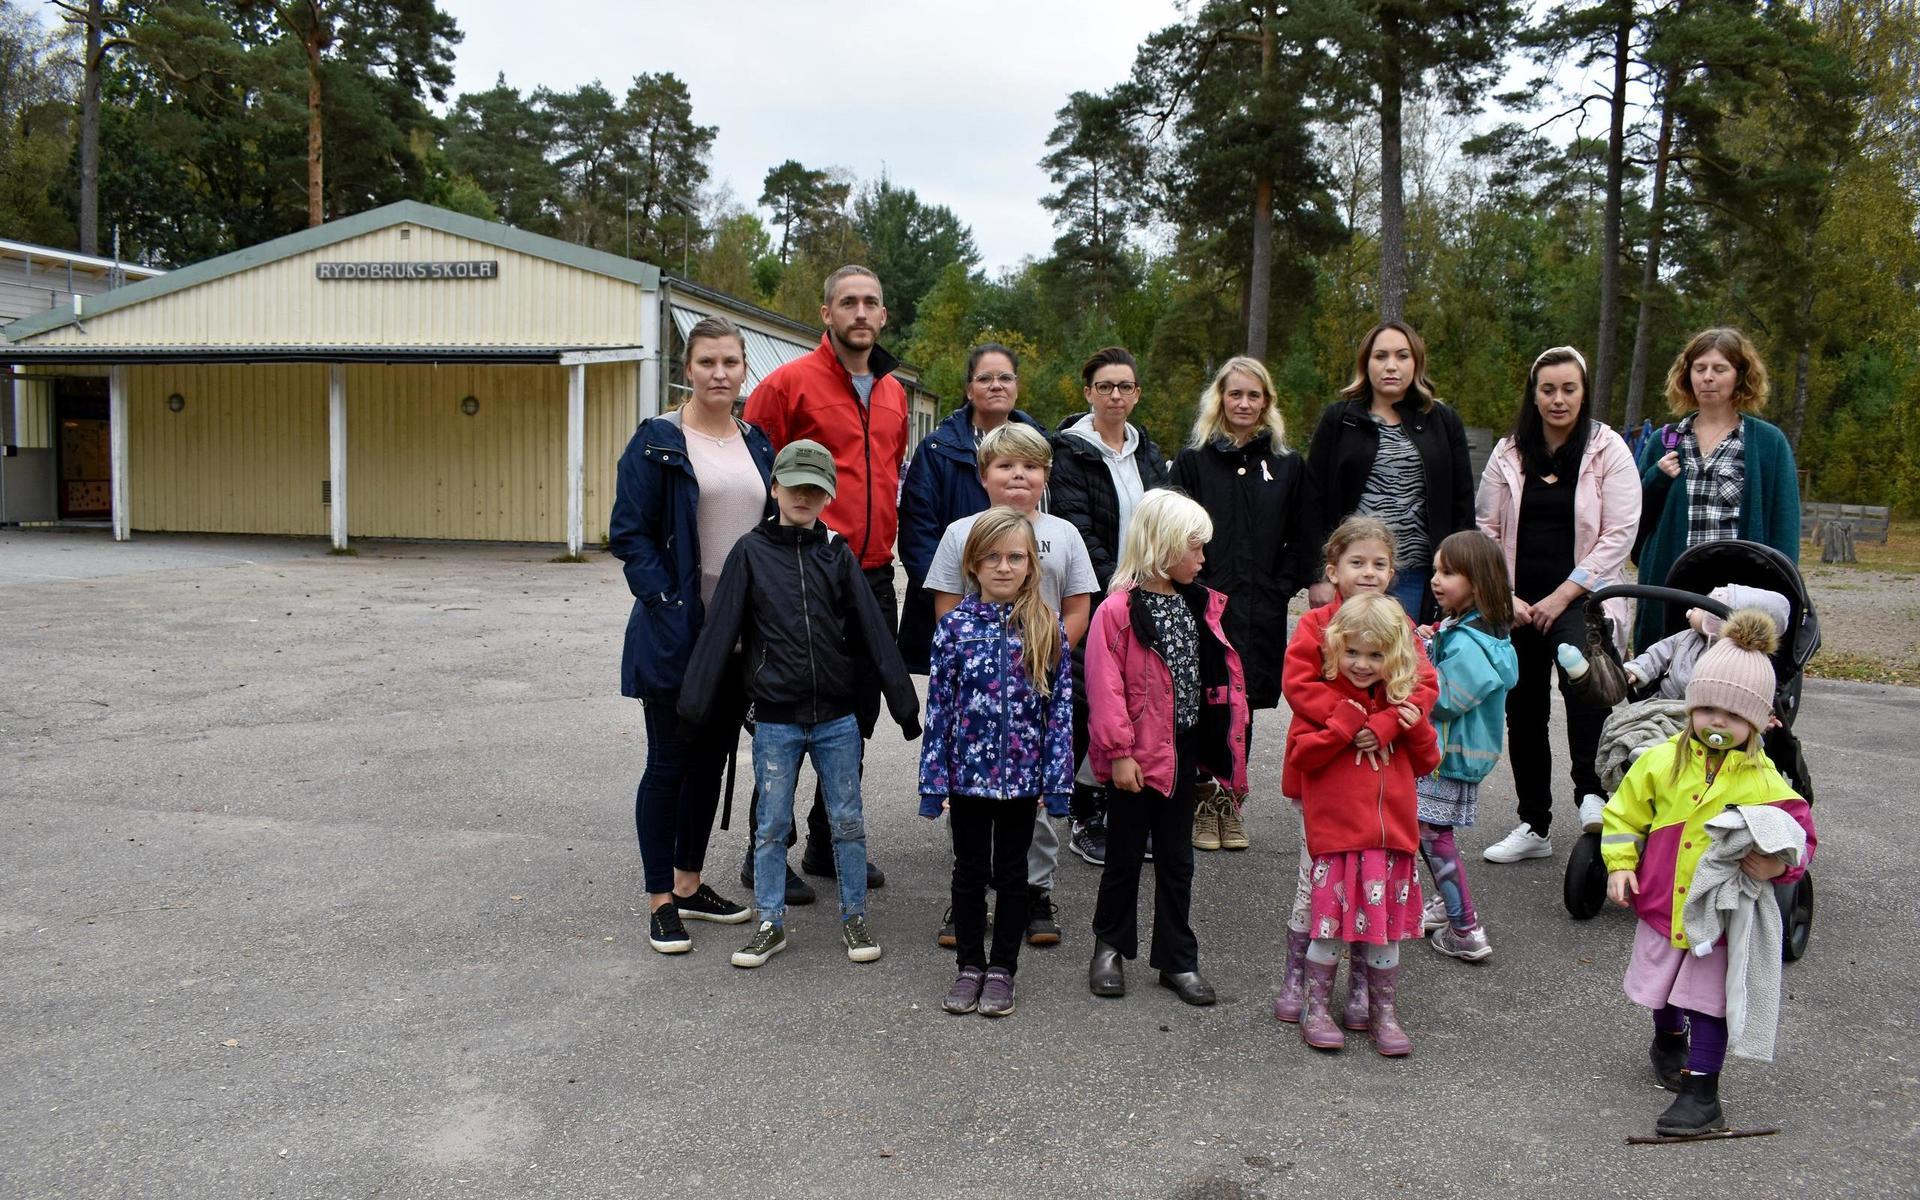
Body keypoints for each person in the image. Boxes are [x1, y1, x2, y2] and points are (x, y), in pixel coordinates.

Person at [678, 440, 921, 969]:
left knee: (848, 821)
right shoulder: (748, 552)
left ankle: (854, 917)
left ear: (828, 494)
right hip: (776, 720)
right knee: (769, 825)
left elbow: (872, 631)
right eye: (795, 486)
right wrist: (693, 707)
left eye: (815, 488)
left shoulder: (838, 552)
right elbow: (720, 632)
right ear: (775, 488)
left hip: (837, 717)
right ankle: (769, 922)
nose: (804, 496)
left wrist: (903, 705)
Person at [1602, 610, 1814, 1136]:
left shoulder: (1766, 781)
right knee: (1661, 988)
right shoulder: (1658, 762)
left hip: (1716, 917)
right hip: (1659, 903)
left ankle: (1703, 1094)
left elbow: (1801, 839)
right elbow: (1624, 814)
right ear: (1692, 706)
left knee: (1707, 1001)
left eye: (1734, 715)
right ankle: (1667, 1040)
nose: (1718, 721)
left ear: (1762, 722)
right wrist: (1621, 863)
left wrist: (1777, 863)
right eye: (1708, 709)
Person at [742, 265, 911, 896]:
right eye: (848, 302)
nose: (860, 312)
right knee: (786, 714)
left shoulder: (893, 391)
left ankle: (824, 842)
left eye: (871, 302)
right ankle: (767, 852)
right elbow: (755, 469)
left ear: (884, 315)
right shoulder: (789, 384)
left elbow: (889, 477)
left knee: (858, 714)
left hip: (870, 576)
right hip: (800, 575)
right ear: (827, 313)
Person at [610, 317, 771, 955]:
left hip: (739, 634)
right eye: (707, 362)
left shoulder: (757, 442)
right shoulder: (657, 440)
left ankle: (690, 882)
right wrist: (672, 603)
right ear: (688, 369)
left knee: (713, 763)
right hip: (678, 631)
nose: (720, 373)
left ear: (744, 370)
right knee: (669, 764)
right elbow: (631, 534)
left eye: (731, 362)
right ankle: (659, 901)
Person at [925, 423, 1097, 947]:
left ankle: (1034, 891)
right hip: (981, 689)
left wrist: (1041, 653)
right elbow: (947, 604)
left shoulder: (1064, 534)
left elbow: (1077, 605)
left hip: (1036, 679)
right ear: (984, 476)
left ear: (1046, 475)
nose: (1018, 475)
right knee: (974, 813)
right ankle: (969, 901)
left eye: (1030, 466)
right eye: (1005, 466)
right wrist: (984, 656)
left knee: (1034, 806)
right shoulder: (961, 532)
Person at [1476, 346, 1642, 865]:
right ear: (1534, 393)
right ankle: (1533, 822)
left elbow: (1620, 532)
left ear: (1584, 391)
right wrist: (1507, 596)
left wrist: (1564, 593)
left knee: (1584, 685)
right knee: (1522, 709)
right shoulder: (1509, 452)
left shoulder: (1607, 448)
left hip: (1582, 597)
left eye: (1569, 388)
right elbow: (1486, 528)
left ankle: (1591, 794)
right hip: (1516, 602)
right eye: (1548, 389)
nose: (1558, 399)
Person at [1083, 491, 1247, 1008]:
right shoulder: (1117, 610)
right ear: (1163, 545)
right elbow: (1103, 687)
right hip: (1136, 756)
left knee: (1178, 861)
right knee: (1124, 858)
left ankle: (1178, 958)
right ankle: (1109, 947)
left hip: (1185, 750)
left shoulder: (1199, 603)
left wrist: (1222, 747)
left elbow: (1217, 678)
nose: (1202, 560)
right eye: (1195, 549)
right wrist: (1119, 753)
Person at [1272, 517, 1436, 1028]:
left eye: (1379, 564)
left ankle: (1365, 986)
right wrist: (1352, 717)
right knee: (1314, 882)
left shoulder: (1400, 625)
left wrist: (1387, 723)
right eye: (1356, 562)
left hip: (1382, 771)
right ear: (1333, 569)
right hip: (1325, 768)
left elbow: (1423, 684)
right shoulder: (1316, 623)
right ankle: (1298, 976)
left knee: (1373, 886)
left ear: (1392, 573)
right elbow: (1299, 685)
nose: (1368, 572)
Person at [921, 509, 1075, 1018]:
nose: (1004, 567)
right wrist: (933, 781)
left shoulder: (1047, 627)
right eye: (992, 557)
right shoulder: (954, 629)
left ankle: (1003, 969)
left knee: (1013, 875)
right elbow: (939, 710)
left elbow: (1060, 712)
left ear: (1031, 565)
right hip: (967, 781)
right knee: (969, 873)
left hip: (1022, 783)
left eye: (1015, 557)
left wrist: (1055, 785)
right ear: (973, 563)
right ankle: (969, 964)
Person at [1169, 356, 1314, 853]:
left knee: (1241, 706)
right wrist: (1193, 587)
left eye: (1255, 395)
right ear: (1220, 399)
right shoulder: (1194, 460)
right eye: (1236, 394)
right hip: (1200, 604)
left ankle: (1229, 803)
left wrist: (1280, 585)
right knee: (1198, 701)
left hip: (1260, 609)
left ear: (1267, 402)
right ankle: (1197, 798)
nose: (1245, 404)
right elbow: (1175, 529)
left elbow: (1305, 534)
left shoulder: (1288, 465)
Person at [1050, 346, 1170, 867]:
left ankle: (1116, 803)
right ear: (1088, 393)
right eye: (1105, 386)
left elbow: (1164, 519)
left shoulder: (1148, 453)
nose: (1116, 395)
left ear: (1137, 393)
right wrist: (1119, 587)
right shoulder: (1070, 452)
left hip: (1144, 592)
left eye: (1125, 386)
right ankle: (1083, 810)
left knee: (1131, 700)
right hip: (1096, 595)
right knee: (1088, 700)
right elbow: (1078, 526)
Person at [1633, 327, 1801, 655]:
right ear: (1688, 375)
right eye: (1700, 368)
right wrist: (1657, 478)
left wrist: (1781, 593)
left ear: (1740, 376)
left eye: (1720, 369)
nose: (1708, 377)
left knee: (1730, 691)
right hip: (1672, 591)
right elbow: (1636, 525)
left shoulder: (1768, 444)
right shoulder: (1665, 441)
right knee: (1663, 686)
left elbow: (1784, 529)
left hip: (1738, 594)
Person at [1304, 320, 1474, 620]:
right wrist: (1318, 576)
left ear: (1416, 363)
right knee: (1351, 662)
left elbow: (1461, 504)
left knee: (1409, 662)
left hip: (1418, 576)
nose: (1391, 366)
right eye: (1381, 356)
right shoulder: (1340, 419)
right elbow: (1312, 500)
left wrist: (1461, 576)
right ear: (1366, 363)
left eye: (1402, 356)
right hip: (1352, 574)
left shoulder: (1443, 421)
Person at [897, 342, 1049, 673]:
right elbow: (918, 537)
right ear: (969, 389)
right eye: (985, 378)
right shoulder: (937, 450)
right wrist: (959, 602)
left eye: (1005, 377)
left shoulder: (1043, 445)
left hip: (1031, 611)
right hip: (961, 609)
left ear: (1017, 387)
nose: (996, 385)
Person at [1417, 531, 1519, 962]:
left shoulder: (1470, 643)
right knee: (1430, 833)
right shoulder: (1471, 628)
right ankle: (1448, 903)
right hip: (1453, 753)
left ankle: (1466, 928)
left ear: (1477, 582)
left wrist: (1415, 658)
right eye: (1436, 570)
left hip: (1446, 754)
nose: (1436, 580)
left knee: (1433, 835)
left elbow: (1442, 700)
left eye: (1448, 572)